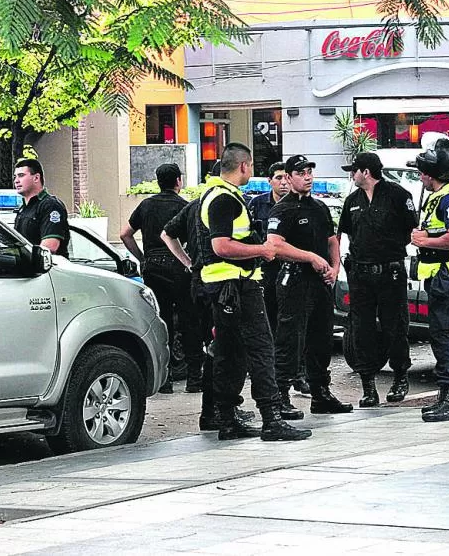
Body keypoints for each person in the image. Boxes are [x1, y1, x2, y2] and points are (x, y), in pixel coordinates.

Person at [196, 142, 311, 442]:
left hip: (224, 289)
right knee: (261, 349)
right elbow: (220, 246)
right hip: (237, 287)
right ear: (244, 166)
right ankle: (271, 418)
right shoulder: (223, 199)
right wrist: (262, 249)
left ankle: (227, 420)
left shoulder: (216, 195)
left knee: (230, 354)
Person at [162, 192, 255, 433]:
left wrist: (188, 262)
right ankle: (218, 411)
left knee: (216, 348)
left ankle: (216, 409)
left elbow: (167, 234)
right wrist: (189, 261)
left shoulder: (194, 206)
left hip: (202, 282)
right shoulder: (219, 203)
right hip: (217, 284)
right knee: (224, 349)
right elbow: (168, 234)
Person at [267, 154, 353, 415]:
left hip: (320, 281)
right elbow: (274, 245)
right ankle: (280, 395)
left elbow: (332, 240)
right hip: (294, 278)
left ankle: (320, 393)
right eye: (302, 173)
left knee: (321, 337)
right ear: (290, 177)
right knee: (290, 338)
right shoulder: (283, 209)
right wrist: (310, 257)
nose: (308, 177)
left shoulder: (319, 207)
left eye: (310, 172)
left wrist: (335, 267)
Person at [338, 152, 417, 407]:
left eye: (354, 170)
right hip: (361, 274)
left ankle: (400, 376)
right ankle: (368, 386)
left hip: (390, 272)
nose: (352, 174)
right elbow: (346, 233)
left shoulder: (397, 195)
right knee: (362, 329)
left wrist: (387, 249)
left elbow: (410, 230)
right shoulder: (352, 200)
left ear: (366, 172)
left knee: (395, 326)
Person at [408, 137, 449, 423]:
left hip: (447, 273)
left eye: (424, 171)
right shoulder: (443, 194)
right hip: (442, 273)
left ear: (435, 175)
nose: (420, 175)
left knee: (445, 335)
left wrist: (425, 239)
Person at [119, 163, 198, 394]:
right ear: (178, 181)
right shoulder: (186, 207)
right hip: (180, 267)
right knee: (189, 320)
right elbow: (192, 240)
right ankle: (195, 377)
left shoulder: (145, 206)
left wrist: (142, 258)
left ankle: (165, 379)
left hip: (153, 267)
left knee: (161, 320)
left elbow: (125, 234)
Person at [247, 162, 309, 394]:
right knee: (271, 324)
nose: (283, 182)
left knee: (296, 326)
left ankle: (299, 374)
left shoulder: (300, 205)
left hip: (294, 271)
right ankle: (274, 374)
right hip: (268, 272)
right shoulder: (257, 204)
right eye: (278, 178)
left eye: (286, 178)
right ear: (270, 181)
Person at [13, 158, 70, 258]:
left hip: (48, 270)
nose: (16, 181)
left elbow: (50, 247)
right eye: (15, 177)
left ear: (36, 178)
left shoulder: (51, 205)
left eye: (21, 176)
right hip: (28, 271)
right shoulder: (23, 209)